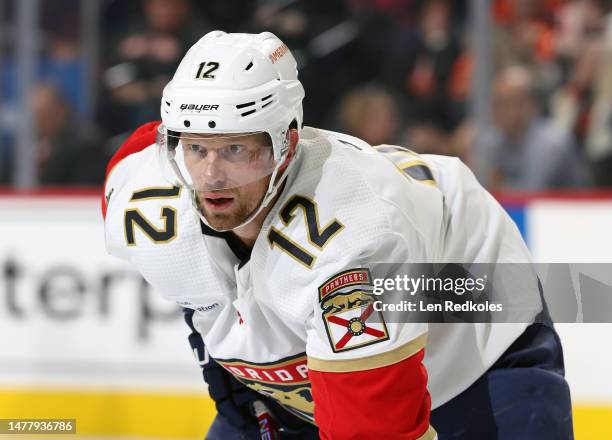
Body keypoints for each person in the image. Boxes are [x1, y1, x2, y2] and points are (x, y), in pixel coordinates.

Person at [102, 31, 573, 439]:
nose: (211, 176)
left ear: (285, 143)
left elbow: (369, 430)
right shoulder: (139, 188)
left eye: (236, 149)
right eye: (196, 147)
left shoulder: (355, 240)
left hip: (471, 316)